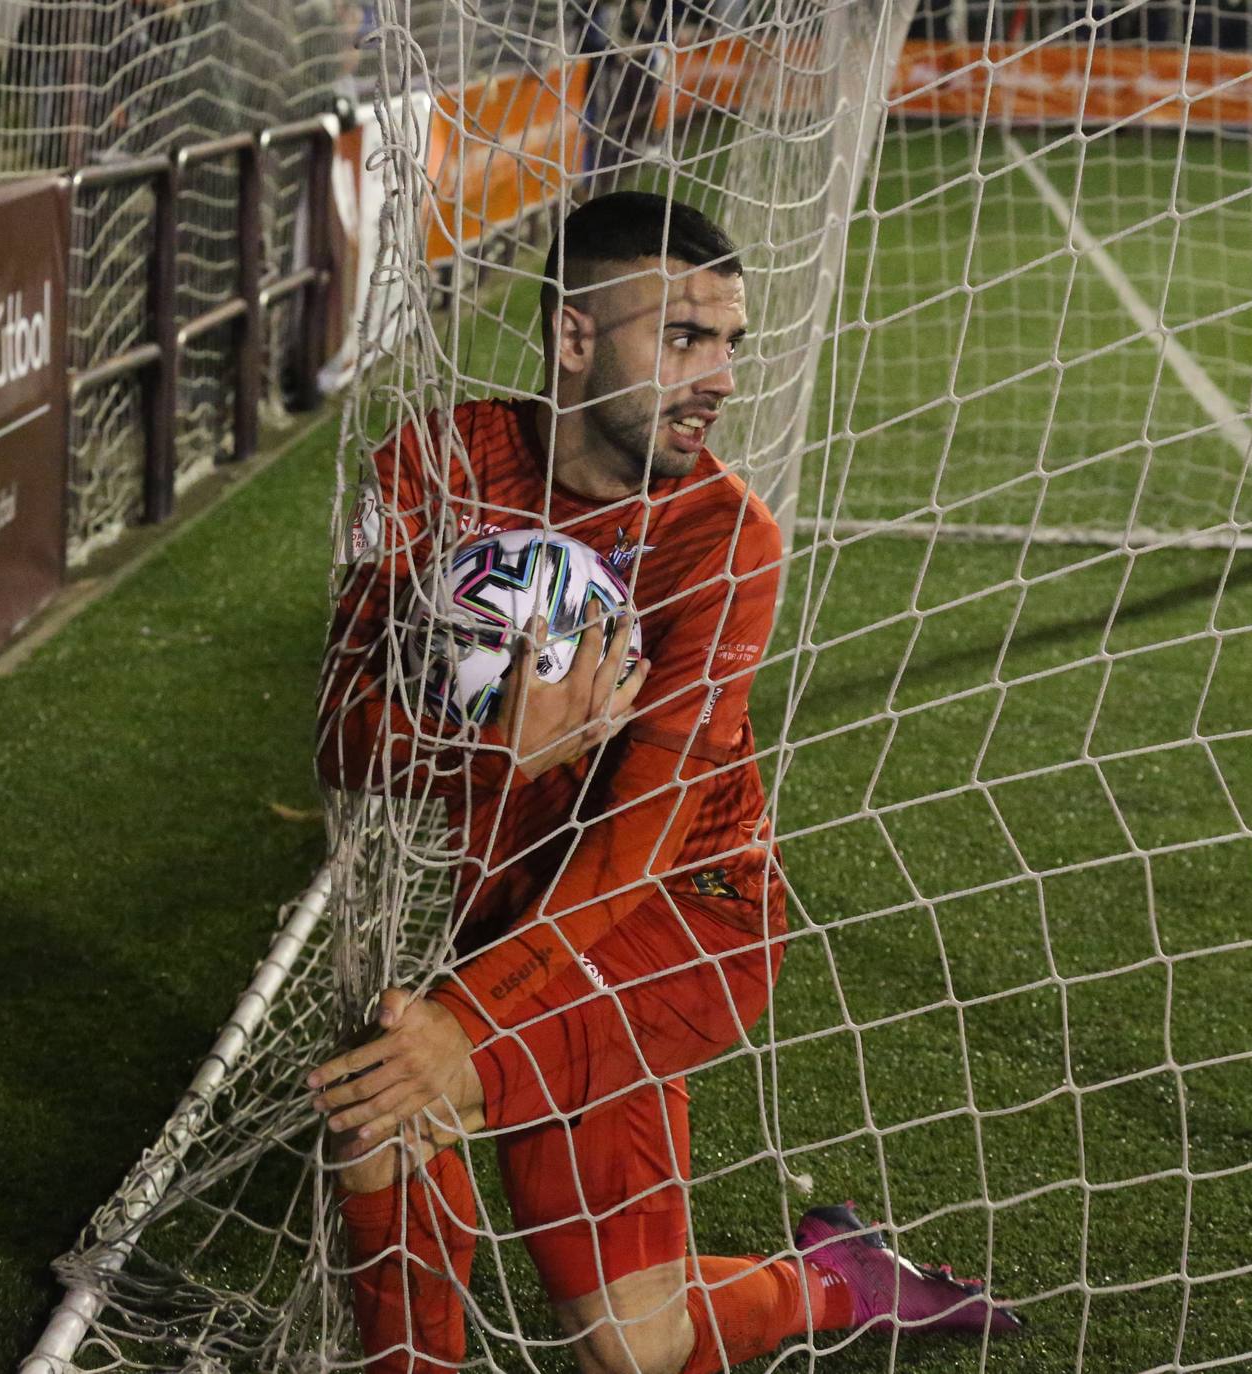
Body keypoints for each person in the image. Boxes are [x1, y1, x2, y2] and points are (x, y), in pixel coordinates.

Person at [309, 192, 1022, 1374]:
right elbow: (337, 731)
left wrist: (467, 1022)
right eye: (684, 338)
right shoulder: (438, 463)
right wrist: (495, 750)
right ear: (576, 339)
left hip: (684, 926)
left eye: (730, 342)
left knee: (392, 1094)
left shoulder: (726, 538)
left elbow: (638, 841)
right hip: (525, 911)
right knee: (640, 1352)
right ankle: (839, 1280)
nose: (721, 375)